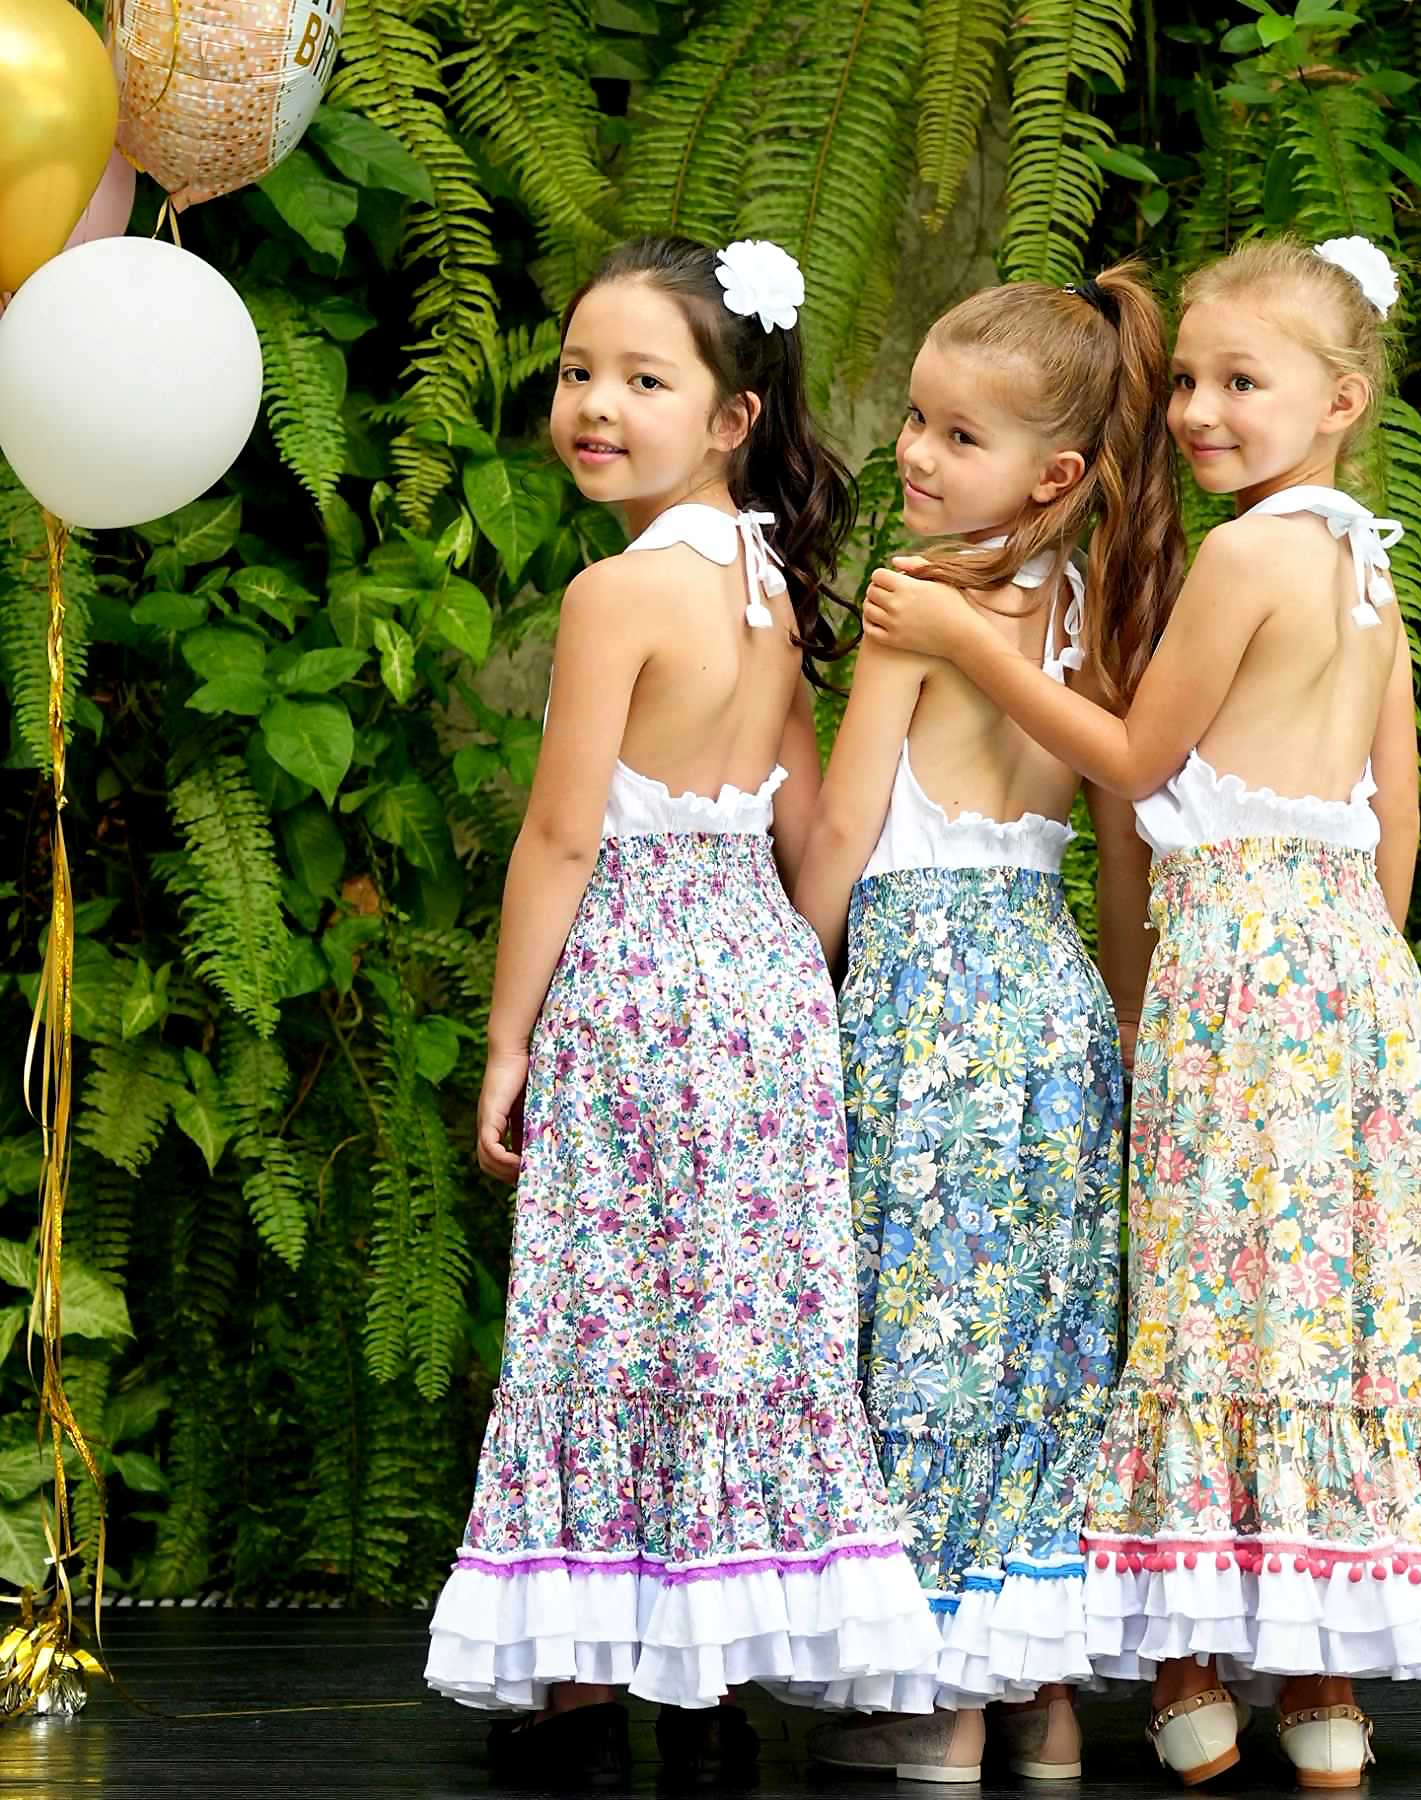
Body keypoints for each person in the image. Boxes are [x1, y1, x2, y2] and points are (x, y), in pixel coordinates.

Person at [862, 234, 1421, 1790]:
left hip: (1239, 966)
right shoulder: (1366, 557)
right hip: (1353, 969)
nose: (1203, 413)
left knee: (1199, 1287)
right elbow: (1400, 805)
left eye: (1245, 383)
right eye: (1193, 384)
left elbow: (1133, 759)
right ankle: (1321, 1687)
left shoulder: (1243, 560)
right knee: (1328, 1307)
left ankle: (1186, 1662)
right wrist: (1364, 969)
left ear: (1341, 398)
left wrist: (961, 637)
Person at [424, 234, 935, 1790]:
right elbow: (802, 816)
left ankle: (581, 1688)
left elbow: (564, 835)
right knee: (728, 1322)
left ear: (732, 415)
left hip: (641, 986)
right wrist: (806, 981)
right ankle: (706, 1694)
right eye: (579, 371)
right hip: (761, 987)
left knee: (604, 1311)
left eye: (645, 380)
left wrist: (510, 1038)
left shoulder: (614, 594)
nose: (595, 405)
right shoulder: (772, 576)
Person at [795, 263, 1182, 1784]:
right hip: (1052, 1006)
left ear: (1055, 473)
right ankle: (1046, 1701)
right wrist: (1134, 1027)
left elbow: (838, 838)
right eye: (915, 419)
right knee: (1039, 1338)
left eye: (960, 436)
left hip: (923, 1000)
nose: (916, 452)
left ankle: (939, 1703)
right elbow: (1129, 842)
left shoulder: (918, 604)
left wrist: (789, 993)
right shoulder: (1099, 612)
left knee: (924, 1329)